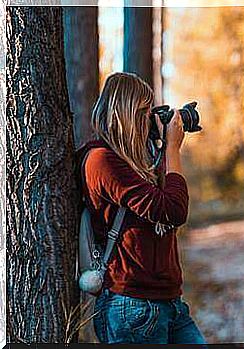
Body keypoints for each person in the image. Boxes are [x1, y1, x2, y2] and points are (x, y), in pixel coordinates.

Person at [75, 72, 206, 345]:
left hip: (168, 303)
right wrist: (172, 149)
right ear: (129, 113)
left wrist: (161, 148)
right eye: (147, 112)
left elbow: (165, 200)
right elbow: (172, 210)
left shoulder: (136, 162)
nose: (151, 120)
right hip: (132, 307)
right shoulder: (102, 160)